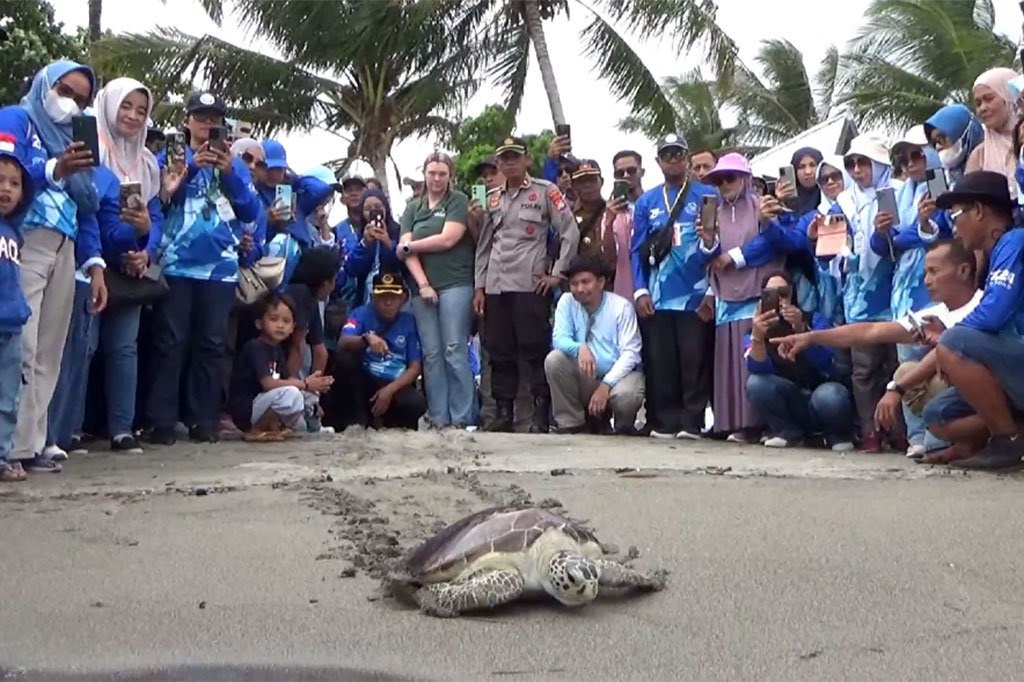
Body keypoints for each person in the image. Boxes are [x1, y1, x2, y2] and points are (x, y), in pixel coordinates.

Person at [771, 240, 981, 457]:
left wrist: (895, 389)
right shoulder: (938, 313)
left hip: (993, 392)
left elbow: (948, 352)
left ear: (963, 271)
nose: (927, 280)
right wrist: (811, 337)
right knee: (907, 371)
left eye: (934, 272)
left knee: (922, 375)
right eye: (925, 272)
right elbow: (871, 331)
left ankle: (996, 433)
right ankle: (956, 436)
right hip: (961, 396)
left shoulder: (982, 306)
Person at [7, 61, 107, 473]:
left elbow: (87, 206)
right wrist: (54, 169)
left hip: (65, 248)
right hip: (24, 240)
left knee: (50, 350)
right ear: (46, 84)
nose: (72, 105)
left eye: (82, 100)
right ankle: (10, 442)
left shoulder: (73, 139)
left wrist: (96, 263)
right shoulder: (18, 119)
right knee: (22, 346)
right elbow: (8, 176)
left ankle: (34, 439)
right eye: (65, 91)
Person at [144, 90, 259, 445]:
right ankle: (162, 420)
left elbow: (251, 213)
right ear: (187, 119)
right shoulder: (171, 156)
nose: (208, 123)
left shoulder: (234, 163)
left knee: (211, 344)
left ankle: (203, 419)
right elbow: (161, 202)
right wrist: (192, 167)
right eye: (201, 116)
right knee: (170, 342)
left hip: (220, 268)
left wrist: (229, 175)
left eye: (214, 118)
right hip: (177, 263)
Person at [474, 136, 579, 433]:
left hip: (530, 284)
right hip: (496, 285)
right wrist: (479, 286)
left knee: (534, 350)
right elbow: (484, 245)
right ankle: (503, 414)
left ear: (527, 160)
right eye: (504, 158)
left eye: (515, 157)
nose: (509, 162)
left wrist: (558, 273)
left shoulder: (546, 192)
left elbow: (569, 232)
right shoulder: (491, 197)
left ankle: (539, 415)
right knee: (499, 351)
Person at [85, 77, 165, 454]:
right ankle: (72, 428)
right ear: (108, 105)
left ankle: (121, 428)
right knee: (83, 347)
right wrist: (125, 243)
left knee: (124, 348)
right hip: (91, 263)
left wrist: (145, 249)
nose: (133, 116)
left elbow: (156, 215)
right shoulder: (90, 152)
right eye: (126, 106)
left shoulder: (146, 162)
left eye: (141, 110)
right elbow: (92, 217)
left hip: (132, 268)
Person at [925, 171, 1024, 469]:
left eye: (956, 215)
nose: (954, 227)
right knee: (937, 416)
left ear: (979, 211)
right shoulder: (993, 255)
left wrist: (949, 340)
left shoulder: (1015, 241)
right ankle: (1014, 429)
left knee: (954, 342)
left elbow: (993, 315)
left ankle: (1008, 442)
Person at [630, 133, 717, 439]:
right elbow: (637, 249)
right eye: (667, 155)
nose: (673, 160)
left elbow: (717, 245)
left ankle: (692, 422)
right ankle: (665, 422)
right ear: (658, 162)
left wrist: (711, 291)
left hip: (695, 293)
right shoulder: (646, 201)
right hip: (658, 294)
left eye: (678, 153)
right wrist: (639, 290)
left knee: (695, 359)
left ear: (687, 157)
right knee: (661, 360)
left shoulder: (707, 195)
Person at [873, 127, 952, 457]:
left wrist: (910, 232)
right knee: (906, 361)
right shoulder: (898, 191)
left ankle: (942, 431)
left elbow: (946, 229)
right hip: (904, 290)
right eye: (904, 157)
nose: (910, 162)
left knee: (939, 360)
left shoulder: (941, 183)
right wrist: (882, 232)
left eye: (917, 154)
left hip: (933, 288)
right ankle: (917, 436)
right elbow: (884, 246)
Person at [699, 153, 784, 441]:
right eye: (719, 180)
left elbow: (773, 242)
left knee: (756, 356)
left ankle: (764, 424)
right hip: (726, 294)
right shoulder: (713, 212)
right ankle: (736, 424)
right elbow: (706, 257)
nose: (725, 184)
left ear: (746, 178)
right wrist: (708, 241)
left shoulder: (762, 205)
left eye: (731, 177)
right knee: (730, 361)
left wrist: (735, 257)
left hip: (757, 289)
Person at [397, 151, 475, 429]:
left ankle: (463, 416)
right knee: (431, 354)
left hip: (456, 281)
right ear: (425, 174)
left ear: (449, 175)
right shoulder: (413, 208)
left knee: (454, 348)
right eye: (432, 173)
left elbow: (448, 239)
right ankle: (438, 416)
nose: (437, 178)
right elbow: (404, 251)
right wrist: (423, 284)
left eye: (442, 173)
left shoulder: (459, 201)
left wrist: (412, 246)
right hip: (423, 288)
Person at [836, 132, 899, 452]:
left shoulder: (898, 192)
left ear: (880, 164)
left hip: (893, 289)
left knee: (895, 364)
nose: (857, 170)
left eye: (864, 163)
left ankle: (899, 429)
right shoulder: (844, 201)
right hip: (858, 294)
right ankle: (870, 430)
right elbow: (832, 246)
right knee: (864, 369)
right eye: (852, 164)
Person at [745, 272, 854, 451]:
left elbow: (830, 363)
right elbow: (756, 368)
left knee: (831, 394)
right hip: (790, 398)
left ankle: (836, 435)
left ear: (792, 294)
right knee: (755, 383)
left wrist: (801, 329)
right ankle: (787, 433)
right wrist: (758, 335)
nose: (778, 299)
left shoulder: (814, 319)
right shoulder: (755, 329)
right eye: (770, 294)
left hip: (821, 393)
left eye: (783, 293)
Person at [544, 254, 644, 435]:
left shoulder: (621, 307)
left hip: (616, 379)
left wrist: (606, 385)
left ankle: (622, 426)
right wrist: (580, 348)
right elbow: (559, 338)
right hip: (586, 378)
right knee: (554, 360)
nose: (580, 289)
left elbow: (631, 353)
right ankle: (572, 423)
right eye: (574, 283)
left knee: (628, 395)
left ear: (601, 282)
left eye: (585, 282)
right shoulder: (567, 302)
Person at [227, 291, 333, 441]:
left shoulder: (277, 349)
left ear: (292, 327)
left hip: (263, 402)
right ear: (259, 323)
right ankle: (255, 430)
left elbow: (287, 378)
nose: (280, 325)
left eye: (286, 321)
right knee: (292, 393)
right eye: (274, 319)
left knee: (301, 397)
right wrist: (304, 384)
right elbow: (268, 384)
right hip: (246, 409)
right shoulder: (255, 347)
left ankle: (273, 426)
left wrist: (312, 391)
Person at [334, 271, 426, 430]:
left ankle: (390, 423)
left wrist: (390, 390)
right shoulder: (360, 314)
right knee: (344, 361)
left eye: (393, 297)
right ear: (373, 297)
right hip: (366, 380)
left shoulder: (409, 322)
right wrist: (366, 339)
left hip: (395, 383)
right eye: (383, 297)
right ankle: (356, 419)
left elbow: (415, 366)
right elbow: (342, 343)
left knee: (416, 404)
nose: (388, 302)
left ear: (403, 299)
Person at [0, 129, 35, 481]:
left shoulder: (14, 231)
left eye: (14, 183)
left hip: (10, 326)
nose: (6, 189)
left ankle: (1, 455)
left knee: (7, 397)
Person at [966, 68, 1018, 196]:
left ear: (1010, 97)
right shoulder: (979, 156)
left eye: (988, 99)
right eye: (978, 103)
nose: (982, 108)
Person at [569, 159, 619, 288]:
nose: (587, 186)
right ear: (573, 186)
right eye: (582, 181)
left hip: (609, 283)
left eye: (592, 180)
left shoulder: (614, 211)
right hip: (577, 285)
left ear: (601, 182)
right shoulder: (566, 215)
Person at [924, 104, 984, 183]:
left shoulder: (992, 166)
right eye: (934, 142)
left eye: (941, 139)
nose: (938, 147)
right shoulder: (937, 179)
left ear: (962, 133)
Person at [789, 147, 824, 215]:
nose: (808, 172)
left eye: (813, 165)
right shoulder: (787, 199)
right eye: (801, 167)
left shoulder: (832, 195)